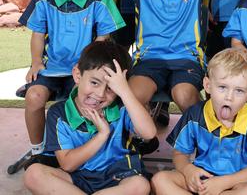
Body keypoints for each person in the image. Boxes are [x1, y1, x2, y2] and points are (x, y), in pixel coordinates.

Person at [99, 0, 235, 117]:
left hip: (187, 58)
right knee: (133, 96)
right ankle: (143, 138)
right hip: (149, 58)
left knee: (184, 95)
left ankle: (202, 136)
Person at [19, 0, 125, 164]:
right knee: (34, 97)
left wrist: (88, 65)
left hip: (84, 71)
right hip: (53, 68)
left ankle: (84, 151)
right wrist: (36, 62)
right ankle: (38, 153)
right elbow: (38, 34)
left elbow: (104, 37)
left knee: (83, 104)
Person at [23, 41, 156, 195]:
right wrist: (102, 135)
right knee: (33, 175)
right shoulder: (58, 114)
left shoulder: (122, 107)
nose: (100, 94)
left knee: (140, 185)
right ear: (77, 75)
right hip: (76, 179)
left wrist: (125, 92)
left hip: (119, 176)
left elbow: (149, 133)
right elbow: (68, 164)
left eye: (111, 88)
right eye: (94, 83)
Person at [151, 48, 247, 194]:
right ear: (208, 86)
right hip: (203, 179)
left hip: (237, 182)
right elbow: (179, 154)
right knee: (160, 180)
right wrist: (188, 170)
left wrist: (224, 182)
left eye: (239, 91)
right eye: (222, 87)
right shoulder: (195, 114)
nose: (229, 97)